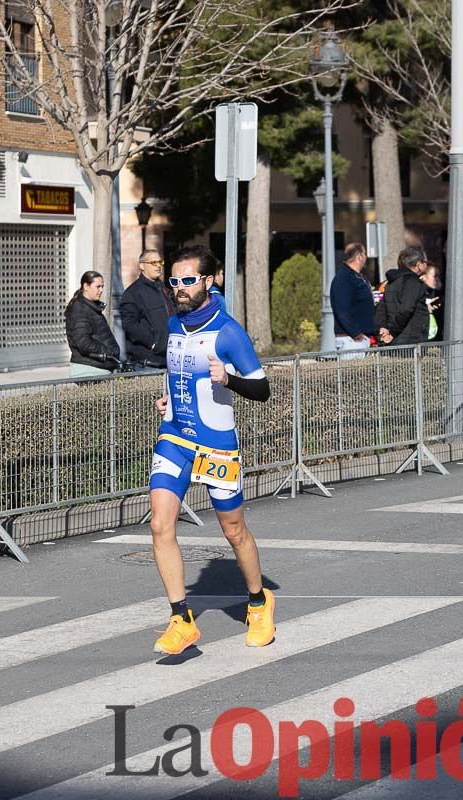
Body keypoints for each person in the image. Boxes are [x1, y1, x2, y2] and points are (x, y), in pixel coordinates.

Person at [148, 244, 275, 655]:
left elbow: (263, 389)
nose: (180, 288)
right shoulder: (172, 324)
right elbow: (176, 372)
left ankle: (258, 602)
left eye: (188, 280)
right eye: (174, 281)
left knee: (233, 531)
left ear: (209, 280)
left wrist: (229, 380)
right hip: (175, 437)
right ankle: (181, 618)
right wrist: (167, 396)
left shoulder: (228, 332)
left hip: (216, 446)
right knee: (159, 525)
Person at [120, 250, 172, 369]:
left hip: (169, 359)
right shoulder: (133, 293)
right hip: (148, 362)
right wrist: (153, 343)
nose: (158, 266)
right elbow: (129, 324)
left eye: (160, 262)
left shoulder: (165, 290)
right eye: (153, 262)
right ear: (142, 266)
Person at [64, 271, 121, 377]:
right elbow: (84, 343)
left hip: (98, 367)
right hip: (89, 369)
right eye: (98, 286)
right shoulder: (80, 309)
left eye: (102, 287)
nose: (101, 290)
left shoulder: (90, 307)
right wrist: (108, 352)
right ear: (86, 286)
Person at [376, 245, 431, 346]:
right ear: (419, 264)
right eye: (426, 262)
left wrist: (382, 328)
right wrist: (393, 332)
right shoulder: (413, 282)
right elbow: (406, 309)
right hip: (411, 340)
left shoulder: (391, 282)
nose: (427, 266)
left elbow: (381, 307)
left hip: (394, 340)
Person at [330, 242, 376, 355]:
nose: (366, 257)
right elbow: (342, 310)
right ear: (359, 257)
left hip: (361, 338)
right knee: (352, 373)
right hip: (351, 340)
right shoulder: (344, 278)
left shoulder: (357, 277)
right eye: (364, 254)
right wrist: (356, 333)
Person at [420, 264, 443, 341]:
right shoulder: (419, 292)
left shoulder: (436, 292)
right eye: (434, 276)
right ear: (424, 277)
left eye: (438, 277)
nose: (436, 280)